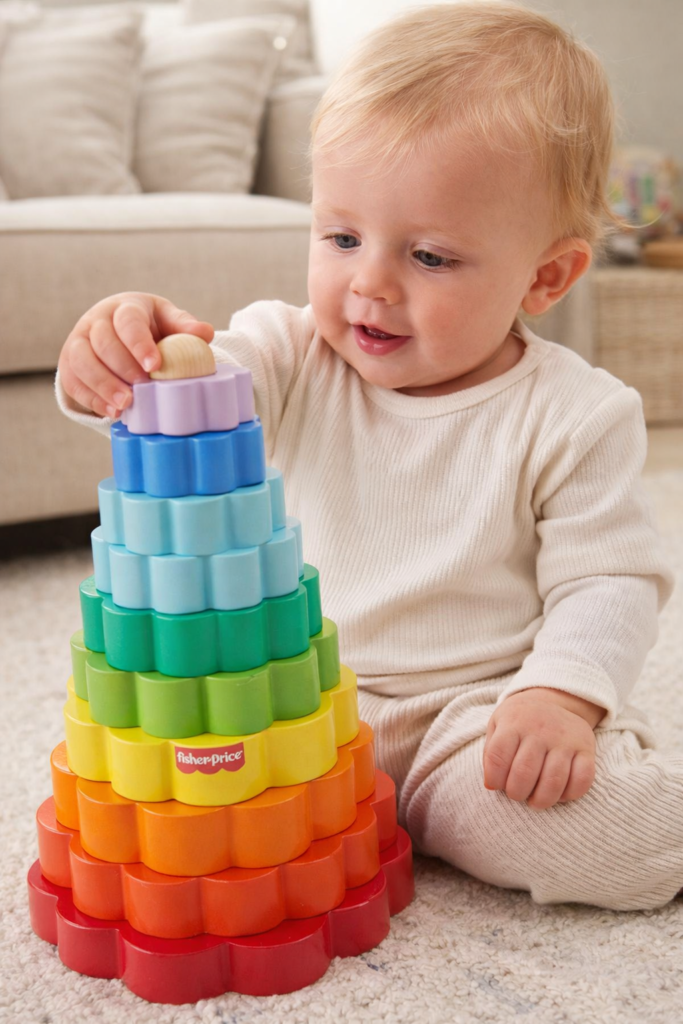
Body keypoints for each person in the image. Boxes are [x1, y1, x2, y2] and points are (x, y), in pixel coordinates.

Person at [55, 3, 678, 911]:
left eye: (427, 256)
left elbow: (609, 580)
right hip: (284, 707)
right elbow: (177, 404)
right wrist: (121, 357)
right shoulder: (286, 351)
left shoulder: (575, 413)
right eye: (341, 237)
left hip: (464, 723)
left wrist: (558, 699)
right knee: (154, 803)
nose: (368, 285)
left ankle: (578, 769)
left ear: (544, 277)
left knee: (620, 841)